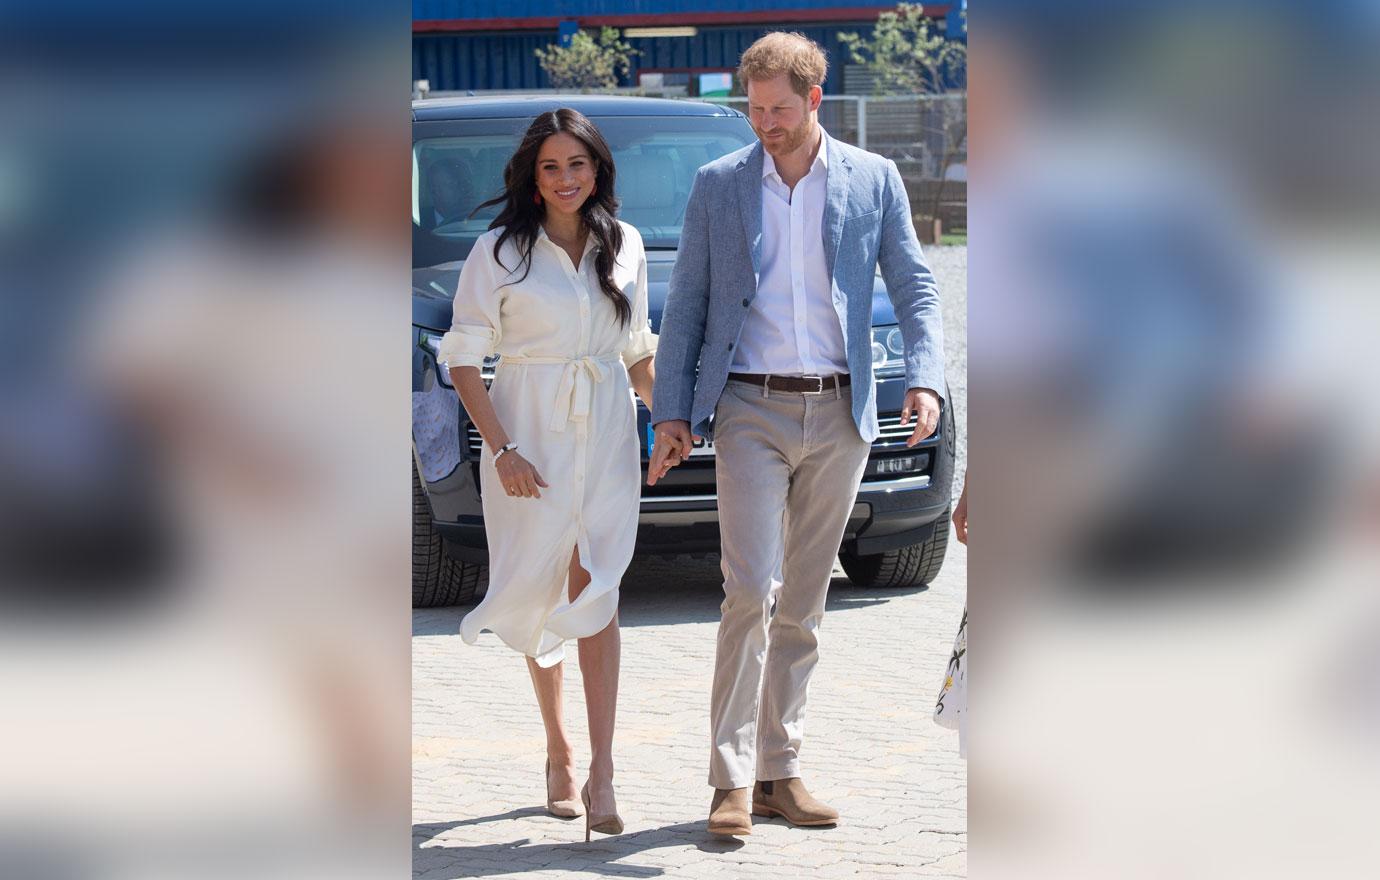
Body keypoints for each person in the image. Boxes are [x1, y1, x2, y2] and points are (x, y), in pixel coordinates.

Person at [649, 32, 947, 836]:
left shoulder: (872, 179)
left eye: (779, 110)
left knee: (805, 604)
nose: (765, 124)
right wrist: (671, 411)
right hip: (748, 409)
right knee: (750, 590)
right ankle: (730, 779)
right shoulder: (719, 185)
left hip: (842, 412)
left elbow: (916, 285)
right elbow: (686, 306)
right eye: (753, 109)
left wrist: (925, 375)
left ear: (815, 100)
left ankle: (781, 770)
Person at [436, 108, 661, 841]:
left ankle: (602, 770)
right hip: (526, 432)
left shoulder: (624, 244)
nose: (567, 179)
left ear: (599, 169)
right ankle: (558, 748)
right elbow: (463, 357)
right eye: (551, 167)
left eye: (579, 165)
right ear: (532, 179)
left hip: (606, 431)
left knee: (598, 587)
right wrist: (502, 452)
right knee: (538, 584)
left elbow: (635, 351)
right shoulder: (499, 251)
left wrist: (680, 417)